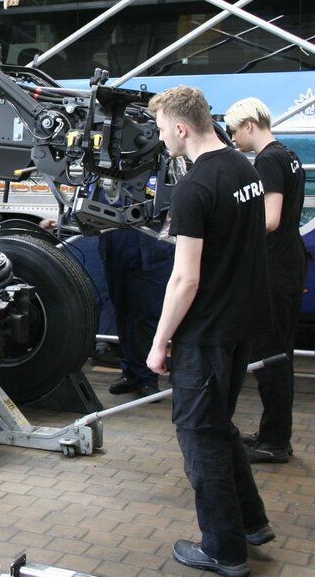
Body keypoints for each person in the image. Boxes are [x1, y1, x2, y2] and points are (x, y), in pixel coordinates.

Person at [146, 86, 273, 577]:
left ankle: (223, 549)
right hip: (243, 324)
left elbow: (186, 277)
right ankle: (252, 523)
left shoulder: (194, 188)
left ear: (181, 128)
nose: (161, 140)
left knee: (200, 437)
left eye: (161, 131)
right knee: (219, 426)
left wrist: (159, 343)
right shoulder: (245, 169)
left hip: (209, 332)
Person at [224, 97, 308, 464]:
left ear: (249, 125)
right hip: (290, 263)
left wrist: (233, 229)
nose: (233, 139)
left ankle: (275, 442)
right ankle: (273, 432)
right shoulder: (288, 155)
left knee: (271, 356)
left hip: (275, 269)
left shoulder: (269, 159)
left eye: (233, 130)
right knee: (280, 354)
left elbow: (270, 219)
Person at [101, 227, 173, 397]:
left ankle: (148, 378)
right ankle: (131, 373)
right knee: (122, 312)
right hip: (116, 242)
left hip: (152, 242)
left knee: (148, 314)